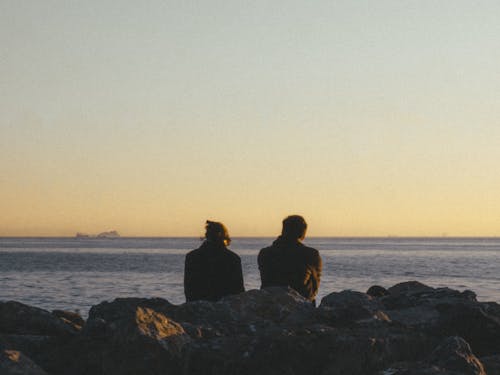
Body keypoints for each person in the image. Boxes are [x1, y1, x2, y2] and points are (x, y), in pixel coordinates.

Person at [258, 215, 322, 303]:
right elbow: (314, 286)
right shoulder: (310, 254)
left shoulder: (265, 253)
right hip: (300, 306)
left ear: (283, 230)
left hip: (269, 304)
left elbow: (266, 282)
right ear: (303, 232)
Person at [184, 220, 245, 302]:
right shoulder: (233, 258)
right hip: (225, 307)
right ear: (223, 235)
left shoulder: (191, 256)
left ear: (206, 235)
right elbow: (239, 290)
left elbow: (188, 288)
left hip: (198, 305)